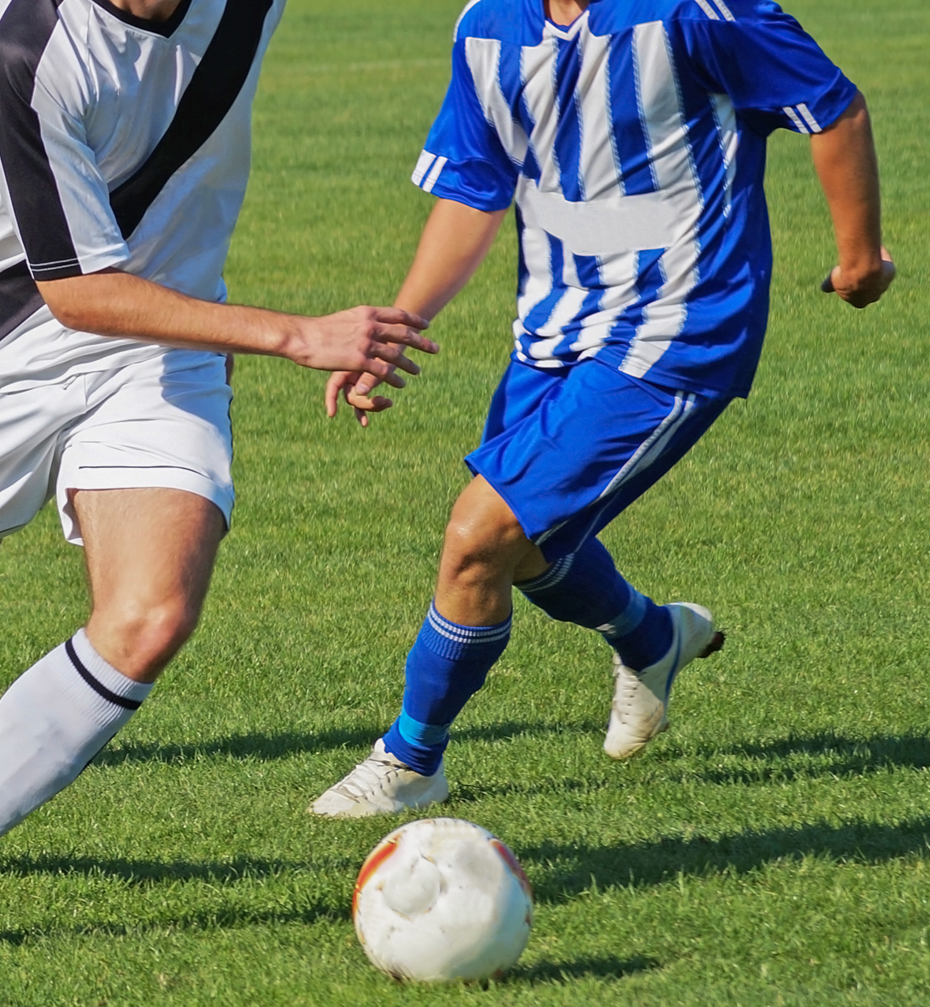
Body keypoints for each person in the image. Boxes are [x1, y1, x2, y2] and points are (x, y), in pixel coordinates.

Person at [0, 0, 438, 961]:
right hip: (0, 352)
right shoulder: (28, 46)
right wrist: (298, 335)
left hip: (162, 350)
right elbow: (77, 292)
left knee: (151, 615)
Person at [310, 0, 892, 818]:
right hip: (552, 332)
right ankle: (652, 638)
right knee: (528, 547)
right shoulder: (487, 27)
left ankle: (411, 759)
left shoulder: (695, 13)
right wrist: (396, 329)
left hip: (681, 327)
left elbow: (831, 105)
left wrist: (859, 260)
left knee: (479, 535)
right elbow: (478, 187)